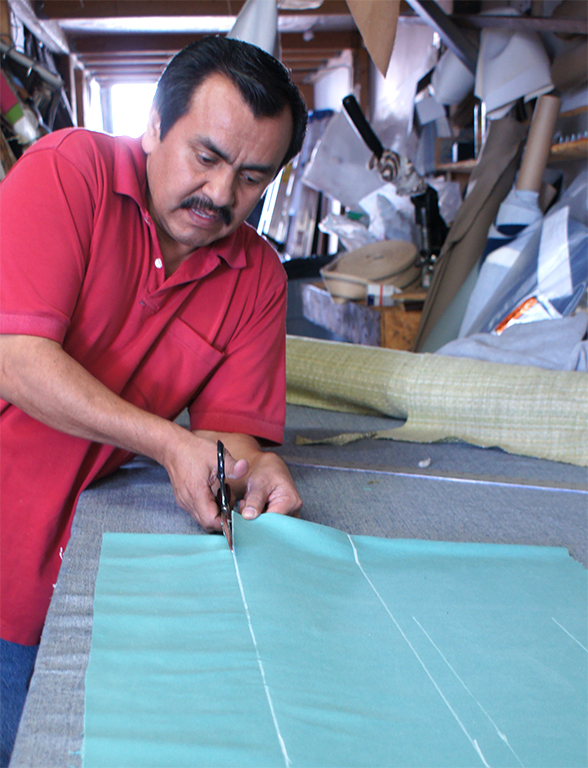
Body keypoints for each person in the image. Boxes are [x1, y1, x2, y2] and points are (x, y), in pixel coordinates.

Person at [0, 35, 307, 764]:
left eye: (253, 177)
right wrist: (169, 441)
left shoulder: (257, 278)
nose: (222, 196)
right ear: (152, 127)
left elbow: (230, 438)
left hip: (65, 574)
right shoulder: (67, 173)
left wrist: (249, 470)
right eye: (206, 158)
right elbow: (15, 359)